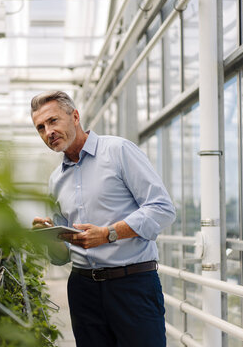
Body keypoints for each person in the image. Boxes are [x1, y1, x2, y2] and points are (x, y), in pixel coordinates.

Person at [30, 91, 176, 347]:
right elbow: (62, 255)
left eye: (53, 121)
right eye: (40, 128)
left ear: (75, 116)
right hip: (83, 290)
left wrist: (110, 233)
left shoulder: (118, 151)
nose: (48, 132)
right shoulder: (56, 179)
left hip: (132, 285)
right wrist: (49, 235)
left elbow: (162, 208)